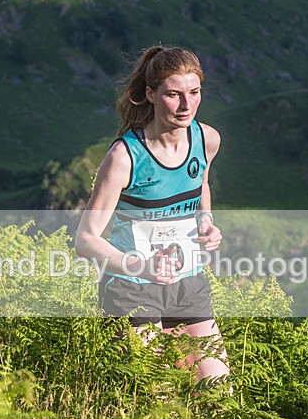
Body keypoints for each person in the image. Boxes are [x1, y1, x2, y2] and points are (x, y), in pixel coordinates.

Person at [75, 45, 230, 386]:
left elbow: (200, 185)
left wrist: (206, 221)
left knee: (219, 394)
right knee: (157, 398)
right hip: (132, 289)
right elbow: (85, 241)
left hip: (188, 282)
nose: (186, 105)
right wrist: (142, 266)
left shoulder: (207, 139)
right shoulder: (125, 155)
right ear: (151, 94)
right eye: (174, 95)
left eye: (194, 92)